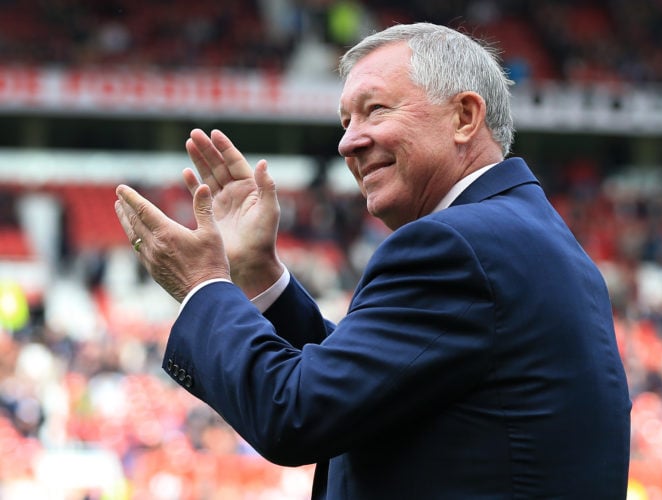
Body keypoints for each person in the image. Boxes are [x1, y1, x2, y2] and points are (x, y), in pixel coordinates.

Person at [115, 22, 631, 499]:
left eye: (375, 110)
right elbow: (363, 382)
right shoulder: (521, 236)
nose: (347, 142)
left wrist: (204, 285)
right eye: (345, 121)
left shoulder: (455, 244)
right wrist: (258, 274)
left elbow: (295, 413)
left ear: (464, 117)